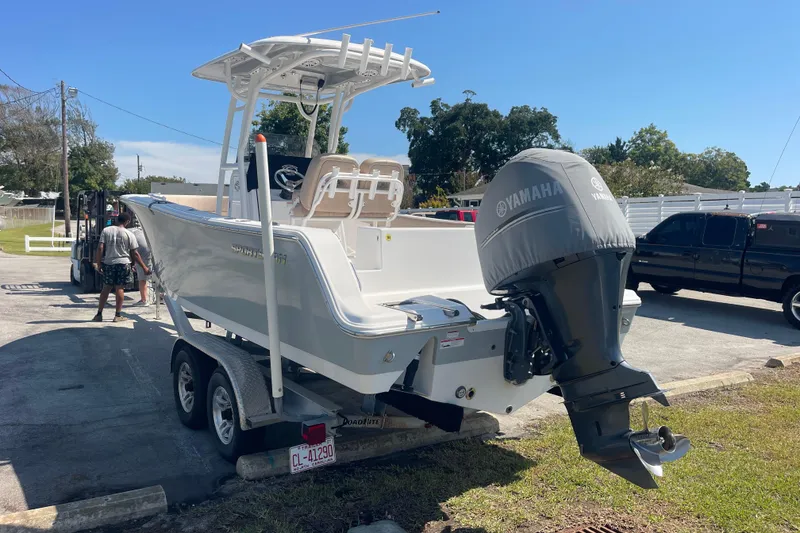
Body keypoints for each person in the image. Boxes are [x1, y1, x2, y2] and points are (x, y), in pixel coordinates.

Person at [92, 212, 151, 322]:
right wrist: (143, 267)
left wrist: (99, 263)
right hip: (123, 264)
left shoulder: (106, 230)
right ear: (127, 222)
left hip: (109, 263)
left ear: (117, 219)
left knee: (106, 288)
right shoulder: (129, 234)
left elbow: (100, 248)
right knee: (120, 288)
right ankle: (117, 315)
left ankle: (99, 314)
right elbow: (135, 253)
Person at [129, 225, 152, 306]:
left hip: (142, 252)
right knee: (155, 274)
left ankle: (144, 300)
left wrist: (133, 263)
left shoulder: (123, 233)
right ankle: (161, 296)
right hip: (149, 248)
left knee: (142, 277)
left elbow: (132, 252)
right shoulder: (135, 230)